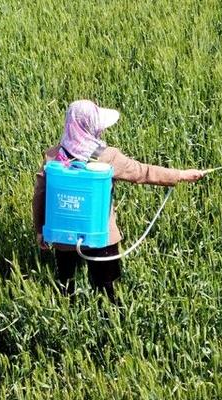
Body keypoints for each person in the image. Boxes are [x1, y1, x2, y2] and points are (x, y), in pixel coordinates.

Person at [32, 99, 204, 304]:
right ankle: (111, 323)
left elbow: (39, 196)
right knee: (109, 290)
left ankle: (69, 317)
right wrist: (181, 175)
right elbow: (143, 172)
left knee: (65, 286)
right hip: (101, 237)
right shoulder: (107, 157)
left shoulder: (53, 157)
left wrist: (40, 230)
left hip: (63, 238)